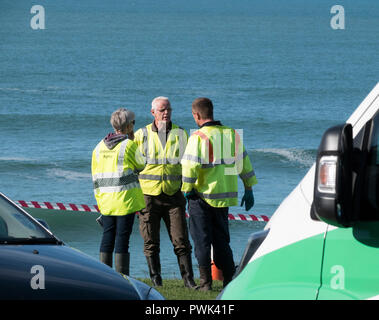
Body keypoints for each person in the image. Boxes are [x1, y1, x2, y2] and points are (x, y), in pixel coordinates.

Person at [181, 97, 257, 291]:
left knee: (201, 241)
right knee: (222, 241)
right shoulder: (232, 134)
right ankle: (229, 279)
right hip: (224, 197)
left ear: (196, 115)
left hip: (201, 197)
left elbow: (190, 166)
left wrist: (186, 190)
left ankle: (205, 283)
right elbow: (244, 163)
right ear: (212, 112)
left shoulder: (198, 137)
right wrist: (249, 188)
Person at [134, 96, 197, 288]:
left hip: (173, 195)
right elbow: (131, 168)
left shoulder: (181, 133)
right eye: (162, 110)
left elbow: (188, 164)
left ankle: (188, 280)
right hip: (148, 196)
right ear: (152, 112)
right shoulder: (141, 135)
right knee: (150, 241)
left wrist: (188, 188)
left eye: (169, 109)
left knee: (181, 240)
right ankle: (156, 279)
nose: (166, 113)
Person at [91, 108, 145, 276]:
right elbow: (141, 165)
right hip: (124, 200)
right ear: (128, 126)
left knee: (107, 238)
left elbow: (95, 175)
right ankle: (123, 279)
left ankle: (105, 278)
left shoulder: (99, 147)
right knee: (122, 240)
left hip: (106, 200)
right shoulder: (128, 145)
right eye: (133, 123)